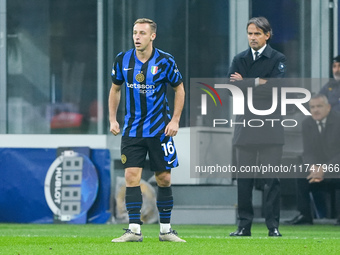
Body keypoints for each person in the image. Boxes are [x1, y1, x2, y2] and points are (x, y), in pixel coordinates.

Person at [109, 18, 186, 242]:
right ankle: (134, 229)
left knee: (164, 178)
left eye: (142, 33)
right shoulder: (122, 60)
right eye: (134, 32)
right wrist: (113, 119)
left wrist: (175, 120)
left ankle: (166, 230)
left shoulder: (165, 61)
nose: (137, 37)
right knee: (131, 176)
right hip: (132, 130)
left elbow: (179, 89)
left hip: (160, 130)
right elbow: (115, 89)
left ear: (153, 36)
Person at [227, 17, 286, 237]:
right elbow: (231, 88)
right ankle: (244, 226)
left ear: (267, 35)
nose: (252, 37)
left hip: (271, 128)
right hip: (245, 127)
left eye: (257, 34)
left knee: (272, 179)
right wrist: (259, 82)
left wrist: (246, 82)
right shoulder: (239, 58)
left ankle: (273, 227)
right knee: (244, 180)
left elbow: (276, 89)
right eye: (250, 33)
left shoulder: (278, 58)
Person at [286, 94, 340, 225]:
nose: (315, 110)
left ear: (328, 107)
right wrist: (313, 168)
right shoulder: (307, 123)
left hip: (335, 166)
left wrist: (324, 169)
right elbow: (308, 152)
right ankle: (305, 215)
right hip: (317, 168)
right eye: (312, 107)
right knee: (300, 171)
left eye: (319, 106)